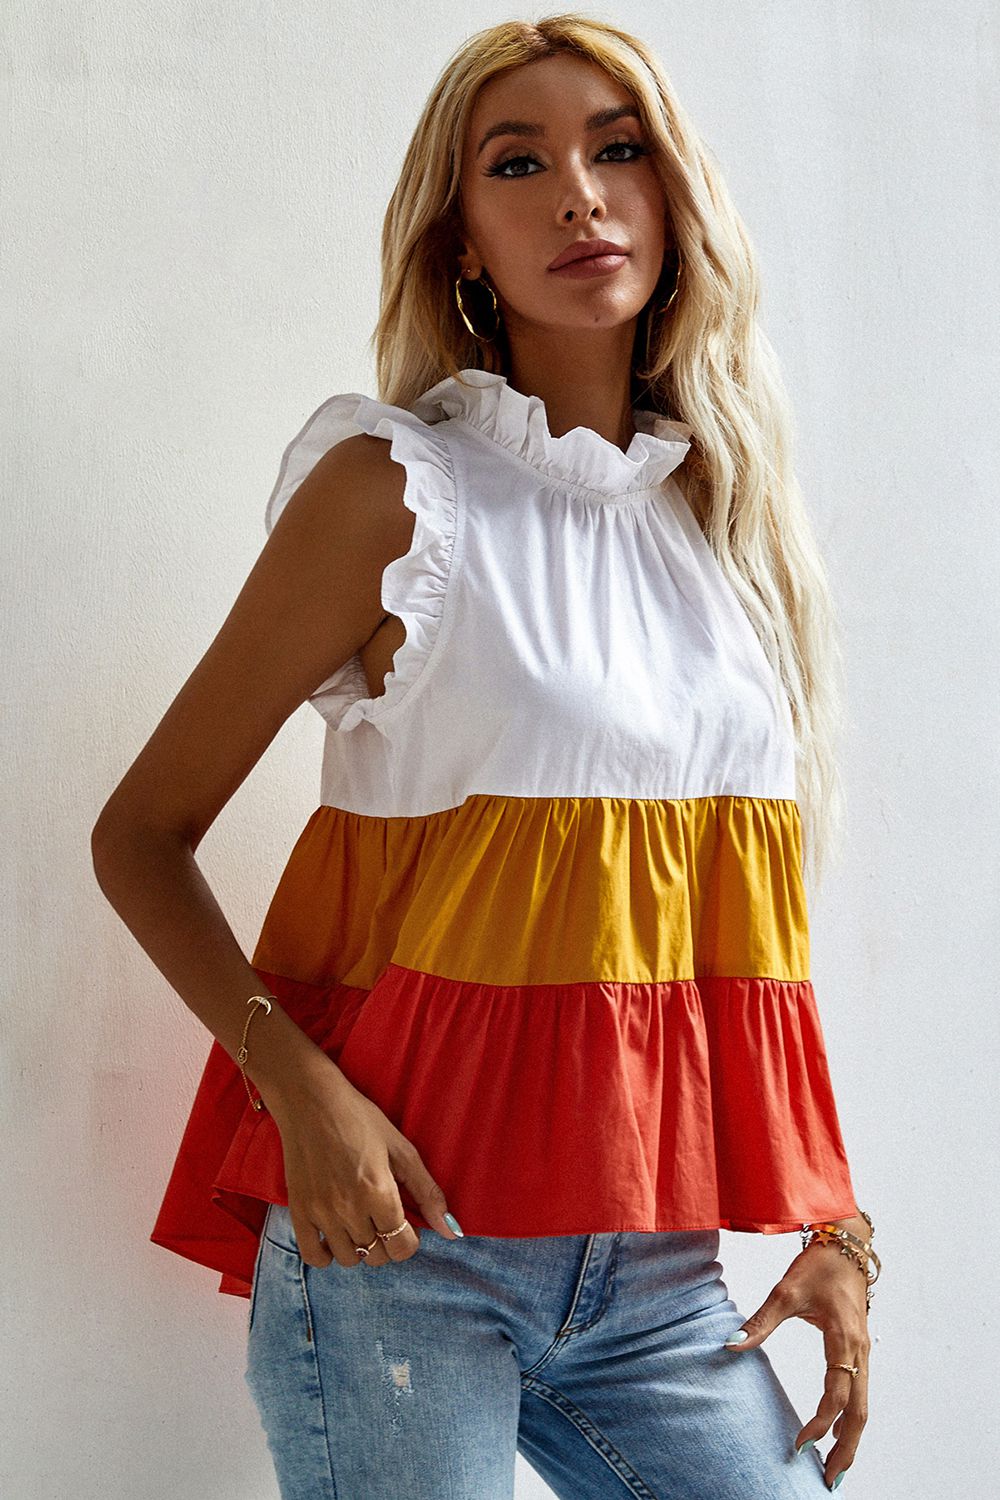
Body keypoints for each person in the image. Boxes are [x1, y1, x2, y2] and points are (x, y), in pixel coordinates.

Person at [91, 13, 879, 1498]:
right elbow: (139, 836)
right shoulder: (395, 493)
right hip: (401, 1251)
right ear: (460, 239)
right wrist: (303, 1096)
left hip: (654, 1268)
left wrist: (833, 1221)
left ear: (673, 197)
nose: (579, 194)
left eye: (617, 150)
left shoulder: (722, 524)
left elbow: (736, 923)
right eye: (519, 164)